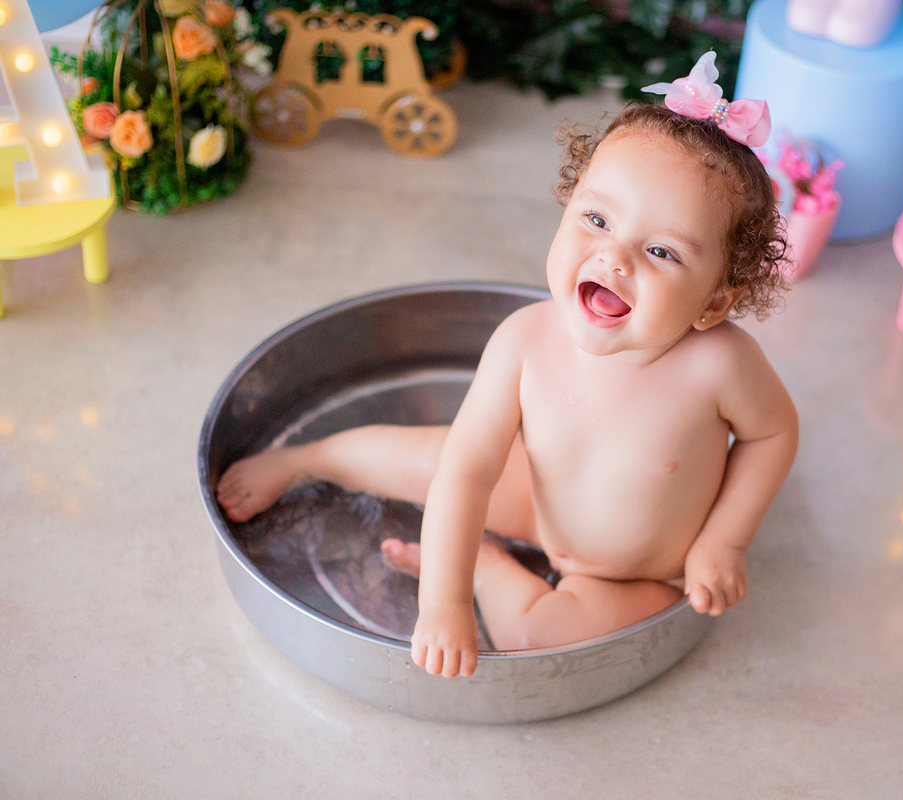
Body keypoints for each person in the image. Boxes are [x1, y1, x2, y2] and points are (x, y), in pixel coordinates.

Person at [216, 53, 799, 678]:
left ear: (714, 301)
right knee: (438, 461)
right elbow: (467, 473)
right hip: (539, 500)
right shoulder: (525, 339)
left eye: (661, 251)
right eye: (597, 219)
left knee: (534, 635)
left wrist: (722, 540)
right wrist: (441, 603)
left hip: (639, 572)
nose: (614, 256)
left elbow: (772, 433)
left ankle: (491, 568)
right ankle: (311, 458)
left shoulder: (720, 364)